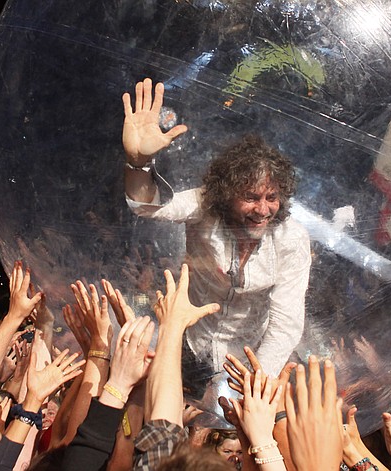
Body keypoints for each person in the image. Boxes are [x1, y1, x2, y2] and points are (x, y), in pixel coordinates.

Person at [121, 78, 311, 377]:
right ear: (227, 194)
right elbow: (146, 207)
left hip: (244, 358)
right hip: (190, 341)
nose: (263, 210)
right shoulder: (205, 205)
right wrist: (138, 161)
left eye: (271, 197)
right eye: (251, 197)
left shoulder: (292, 239)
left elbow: (285, 324)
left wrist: (255, 381)